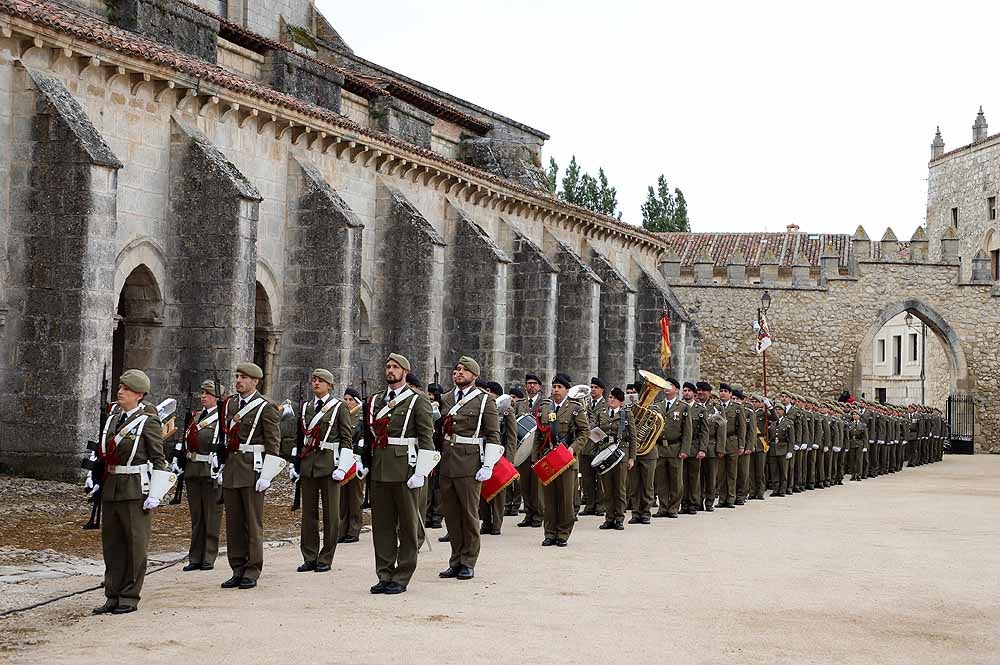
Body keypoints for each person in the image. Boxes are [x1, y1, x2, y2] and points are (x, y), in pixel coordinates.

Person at [91, 369, 166, 614]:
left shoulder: (148, 420)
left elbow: (158, 459)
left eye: (127, 389)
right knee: (112, 545)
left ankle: (129, 596)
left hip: (136, 488)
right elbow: (104, 451)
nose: (120, 392)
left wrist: (156, 493)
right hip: (112, 485)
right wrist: (93, 478)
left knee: (135, 544)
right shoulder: (113, 417)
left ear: (139, 395)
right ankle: (112, 594)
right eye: (120, 388)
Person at [366, 353, 436, 595]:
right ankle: (384, 573)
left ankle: (402, 575)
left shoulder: (418, 401)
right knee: (382, 525)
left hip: (406, 468)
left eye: (395, 367)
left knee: (408, 525)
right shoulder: (376, 400)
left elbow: (427, 440)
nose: (390, 370)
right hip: (380, 467)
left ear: (405, 372)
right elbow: (369, 437)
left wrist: (421, 471)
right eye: (387, 366)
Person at [219, 362, 281, 590]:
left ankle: (252, 570)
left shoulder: (266, 406)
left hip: (253, 469)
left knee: (252, 523)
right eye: (237, 376)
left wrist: (268, 474)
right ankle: (237, 567)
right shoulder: (230, 404)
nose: (238, 381)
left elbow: (274, 443)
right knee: (234, 522)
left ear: (255, 381)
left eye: (244, 377)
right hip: (233, 466)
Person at [438, 357, 501, 581]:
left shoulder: (484, 401)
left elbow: (493, 434)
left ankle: (468, 561)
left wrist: (488, 465)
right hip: (447, 462)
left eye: (464, 370)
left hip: (470, 462)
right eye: (456, 369)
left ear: (474, 376)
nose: (459, 373)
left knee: (469, 514)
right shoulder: (445, 398)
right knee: (452, 516)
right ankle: (455, 560)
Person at [291, 369, 354, 573]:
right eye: (314, 380)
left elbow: (346, 439)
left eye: (321, 381)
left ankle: (326, 557)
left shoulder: (339, 407)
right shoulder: (306, 407)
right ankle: (309, 556)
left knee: (331, 514)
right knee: (308, 514)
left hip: (330, 465)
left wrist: (342, 467)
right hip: (309, 464)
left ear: (330, 385)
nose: (316, 384)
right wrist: (295, 464)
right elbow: (300, 438)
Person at [533, 373, 589, 546]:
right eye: (554, 387)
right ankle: (549, 533)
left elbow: (584, 432)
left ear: (567, 390)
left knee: (566, 499)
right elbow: (539, 434)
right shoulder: (545, 408)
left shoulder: (575, 408)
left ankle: (563, 533)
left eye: (560, 387)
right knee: (549, 500)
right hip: (548, 459)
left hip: (566, 460)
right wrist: (535, 457)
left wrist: (573, 449)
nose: (556, 390)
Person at [182, 380, 224, 572]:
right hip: (193, 470)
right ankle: (195, 556)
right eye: (202, 393)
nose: (203, 397)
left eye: (207, 393)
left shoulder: (222, 419)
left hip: (210, 471)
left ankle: (208, 555)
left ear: (217, 397)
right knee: (197, 516)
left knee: (211, 516)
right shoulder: (196, 417)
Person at [479, 381, 516, 535]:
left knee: (499, 491)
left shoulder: (507, 410)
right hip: (483, 452)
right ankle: (486, 522)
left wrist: (509, 459)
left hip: (500, 455)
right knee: (483, 489)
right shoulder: (481, 407)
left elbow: (511, 437)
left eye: (489, 391)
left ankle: (497, 524)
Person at [598, 387, 635, 530]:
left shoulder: (626, 414)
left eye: (613, 398)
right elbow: (596, 433)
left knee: (619, 488)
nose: (610, 400)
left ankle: (619, 518)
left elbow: (632, 436)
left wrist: (632, 458)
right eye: (609, 397)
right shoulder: (602, 414)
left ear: (620, 401)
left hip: (621, 454)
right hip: (605, 452)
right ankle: (609, 518)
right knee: (607, 488)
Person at [654, 377, 691, 518]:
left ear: (676, 389)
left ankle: (674, 507)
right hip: (660, 448)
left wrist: (684, 450)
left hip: (675, 447)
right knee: (661, 480)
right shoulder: (658, 405)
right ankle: (663, 507)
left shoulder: (683, 407)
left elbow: (687, 431)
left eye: (670, 386)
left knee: (676, 480)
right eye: (665, 385)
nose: (667, 388)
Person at [515, 373, 545, 528]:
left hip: (538, 449)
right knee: (524, 484)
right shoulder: (520, 404)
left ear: (539, 387)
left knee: (537, 485)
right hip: (523, 450)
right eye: (529, 384)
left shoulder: (546, 403)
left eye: (534, 383)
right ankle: (528, 513)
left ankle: (539, 515)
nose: (531, 386)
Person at [627, 379, 658, 524]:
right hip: (634, 452)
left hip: (649, 451)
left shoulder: (655, 410)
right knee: (634, 484)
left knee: (647, 484)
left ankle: (646, 512)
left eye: (636, 392)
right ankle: (635, 512)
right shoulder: (629, 410)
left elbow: (658, 429)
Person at [338, 387, 365, 544]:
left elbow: (362, 439)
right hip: (343, 460)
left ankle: (354, 530)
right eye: (346, 399)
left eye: (351, 399)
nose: (348, 402)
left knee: (355, 497)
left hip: (355, 461)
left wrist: (361, 459)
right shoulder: (341, 416)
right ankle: (342, 529)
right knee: (341, 498)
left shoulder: (359, 420)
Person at [580, 377, 609, 515]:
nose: (592, 390)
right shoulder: (585, 404)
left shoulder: (606, 405)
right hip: (585, 446)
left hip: (599, 445)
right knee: (587, 478)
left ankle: (600, 505)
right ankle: (589, 504)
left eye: (595, 387)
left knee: (600, 477)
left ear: (602, 390)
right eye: (591, 387)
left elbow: (604, 424)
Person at [680, 382, 707, 515]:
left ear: (694, 394)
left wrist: (702, 449)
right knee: (682, 478)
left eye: (689, 391)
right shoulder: (679, 408)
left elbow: (704, 432)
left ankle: (693, 503)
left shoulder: (701, 410)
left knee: (694, 477)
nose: (686, 393)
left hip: (695, 447)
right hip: (681, 449)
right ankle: (683, 503)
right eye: (684, 391)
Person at [716, 383, 745, 508]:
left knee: (732, 473)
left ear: (730, 394)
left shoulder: (737, 408)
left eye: (725, 391)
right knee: (721, 473)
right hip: (719, 443)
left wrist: (742, 445)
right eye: (721, 391)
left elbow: (742, 428)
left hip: (732, 441)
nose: (722, 393)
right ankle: (722, 498)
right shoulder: (715, 407)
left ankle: (731, 498)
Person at [767, 403, 794, 497]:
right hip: (773, 449)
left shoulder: (788, 423)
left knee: (783, 471)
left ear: (783, 411)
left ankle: (782, 490)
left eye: (779, 409)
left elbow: (791, 438)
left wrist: (790, 451)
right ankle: (775, 489)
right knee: (774, 471)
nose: (777, 411)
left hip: (783, 448)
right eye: (776, 410)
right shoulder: (773, 423)